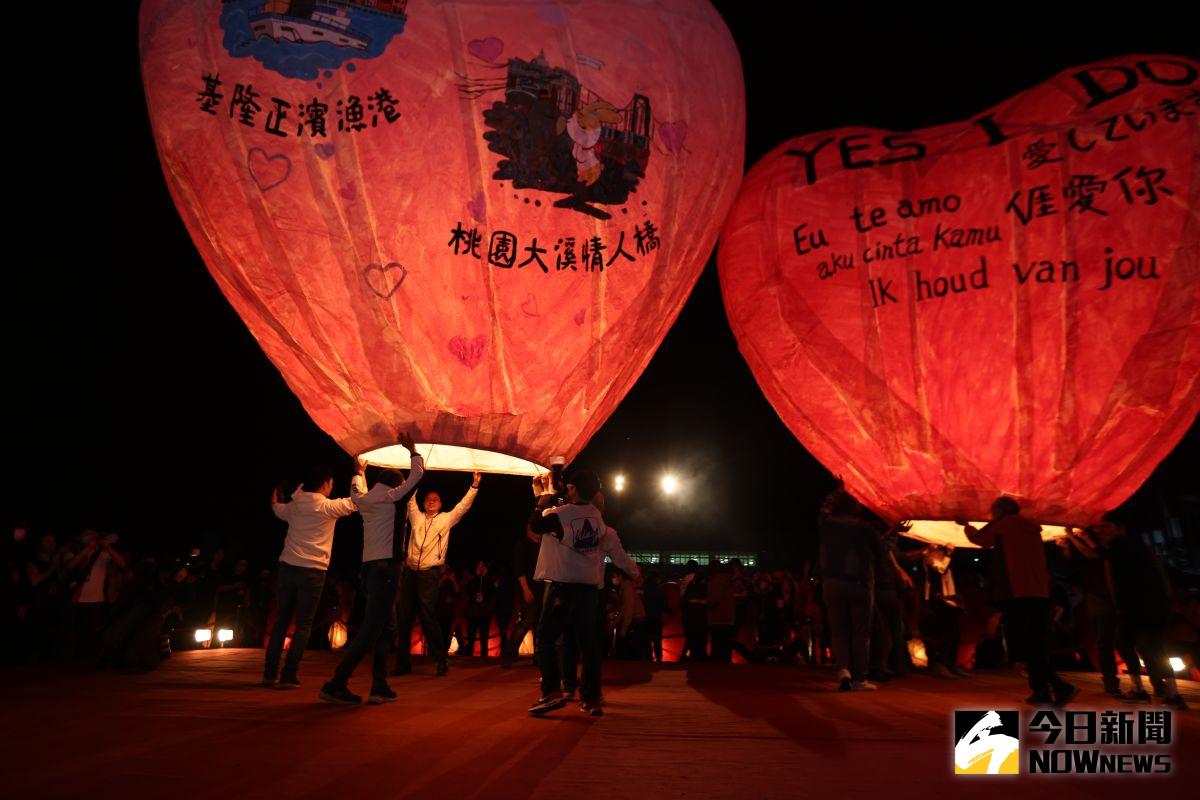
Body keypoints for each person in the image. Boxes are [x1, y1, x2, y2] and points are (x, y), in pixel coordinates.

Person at [320, 434, 423, 705]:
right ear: (396, 484)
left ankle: (379, 685)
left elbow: (355, 489)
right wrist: (412, 449)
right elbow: (417, 474)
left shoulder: (364, 500)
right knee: (371, 630)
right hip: (387, 572)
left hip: (368, 571)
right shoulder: (393, 497)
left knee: (388, 627)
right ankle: (336, 683)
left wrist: (359, 471)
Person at [526, 469, 639, 716]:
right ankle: (590, 698)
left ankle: (552, 691)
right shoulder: (599, 521)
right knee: (588, 644)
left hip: (561, 587)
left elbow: (536, 526)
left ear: (573, 489)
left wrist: (541, 500)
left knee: (546, 637)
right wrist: (635, 571)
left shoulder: (561, 515)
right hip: (588, 590)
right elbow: (619, 556)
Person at [959, 497, 1077, 707]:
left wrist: (965, 525)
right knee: (1038, 644)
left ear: (999, 511)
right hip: (1040, 592)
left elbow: (980, 539)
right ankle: (1040, 692)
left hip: (1016, 592)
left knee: (1026, 646)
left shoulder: (1002, 524)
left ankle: (1059, 686)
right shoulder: (1032, 527)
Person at [263, 465, 359, 689]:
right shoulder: (328, 507)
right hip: (312, 572)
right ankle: (288, 676)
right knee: (304, 625)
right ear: (325, 484)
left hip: (287, 569)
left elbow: (277, 509)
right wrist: (359, 474)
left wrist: (280, 498)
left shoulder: (295, 505)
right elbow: (358, 501)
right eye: (331, 483)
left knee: (281, 622)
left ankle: (269, 674)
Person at [1093, 512, 1188, 710]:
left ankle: (1150, 692)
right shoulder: (1136, 546)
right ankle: (1167, 693)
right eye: (1099, 527)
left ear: (1121, 528)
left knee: (1137, 645)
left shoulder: (1121, 547)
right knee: (1146, 647)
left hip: (1140, 607)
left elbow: (1121, 579)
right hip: (1147, 606)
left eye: (1106, 526)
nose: (1101, 531)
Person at [392, 472, 480, 677]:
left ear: (440, 504)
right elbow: (410, 499)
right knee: (404, 617)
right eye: (428, 499)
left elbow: (463, 506)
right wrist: (414, 476)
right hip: (411, 572)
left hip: (429, 574)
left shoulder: (445, 519)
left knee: (427, 615)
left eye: (435, 499)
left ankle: (441, 659)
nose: (431, 501)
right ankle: (403, 664)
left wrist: (474, 486)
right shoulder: (416, 517)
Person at [819, 490, 883, 691]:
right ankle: (859, 679)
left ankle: (843, 671)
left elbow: (824, 509)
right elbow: (881, 552)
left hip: (831, 583)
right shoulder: (864, 528)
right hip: (859, 584)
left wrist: (837, 491)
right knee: (860, 633)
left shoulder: (826, 524)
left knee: (839, 631)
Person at [921, 545, 970, 679]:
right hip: (938, 599)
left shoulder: (941, 554)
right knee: (948, 632)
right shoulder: (929, 555)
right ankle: (941, 664)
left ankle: (951, 664)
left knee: (955, 632)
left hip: (948, 598)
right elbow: (941, 570)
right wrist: (948, 553)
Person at [502, 525, 543, 668]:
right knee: (526, 622)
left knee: (539, 624)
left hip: (542, 589)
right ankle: (509, 655)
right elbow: (519, 569)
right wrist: (525, 589)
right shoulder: (523, 545)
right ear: (529, 529)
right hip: (529, 588)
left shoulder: (543, 545)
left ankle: (538, 657)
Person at [463, 561, 496, 658]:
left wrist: (485, 576)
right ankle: (469, 657)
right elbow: (469, 590)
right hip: (472, 612)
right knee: (471, 637)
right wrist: (477, 575)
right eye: (479, 566)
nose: (481, 569)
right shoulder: (472, 580)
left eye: (483, 567)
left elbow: (492, 592)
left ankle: (484, 658)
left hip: (485, 613)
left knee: (484, 637)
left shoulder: (489, 581)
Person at [707, 561, 736, 662]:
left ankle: (717, 670)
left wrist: (704, 603)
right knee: (726, 648)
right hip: (728, 618)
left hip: (716, 618)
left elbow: (713, 600)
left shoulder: (715, 581)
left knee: (717, 648)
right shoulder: (729, 579)